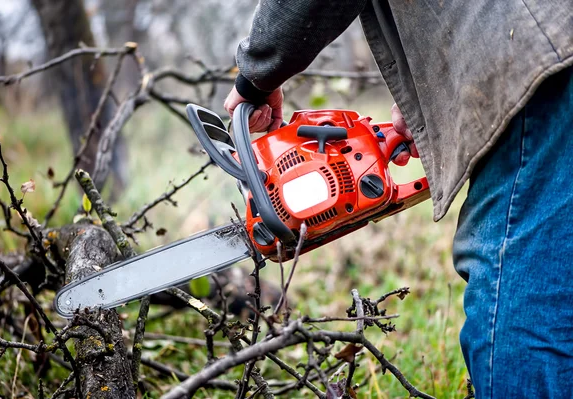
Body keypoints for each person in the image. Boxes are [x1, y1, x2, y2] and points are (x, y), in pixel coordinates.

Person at [223, 1, 573, 398]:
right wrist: (431, 103)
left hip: (534, 62)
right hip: (549, 48)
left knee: (513, 289)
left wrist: (255, 75)